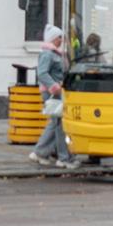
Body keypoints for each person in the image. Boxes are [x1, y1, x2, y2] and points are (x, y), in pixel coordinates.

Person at [30, 24, 77, 167]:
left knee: (55, 123)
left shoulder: (55, 53)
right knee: (60, 124)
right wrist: (54, 86)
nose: (61, 40)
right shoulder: (48, 54)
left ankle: (41, 152)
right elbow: (42, 73)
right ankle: (63, 158)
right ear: (52, 39)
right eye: (59, 37)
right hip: (52, 93)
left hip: (55, 92)